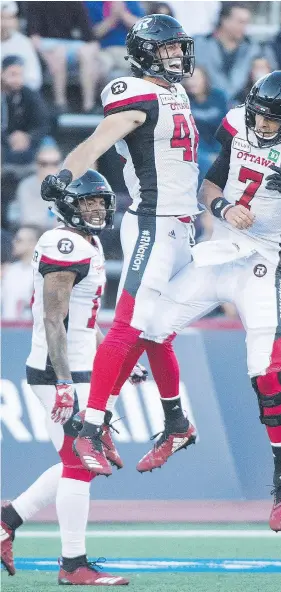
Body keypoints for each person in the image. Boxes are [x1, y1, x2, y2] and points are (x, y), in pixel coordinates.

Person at [135, 71, 281, 532]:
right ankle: (177, 423)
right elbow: (210, 186)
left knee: (265, 370)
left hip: (261, 262)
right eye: (258, 115)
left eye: (271, 119)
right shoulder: (236, 125)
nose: (261, 125)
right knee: (151, 328)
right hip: (220, 250)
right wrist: (224, 208)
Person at [40, 15, 199, 477]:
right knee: (130, 326)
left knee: (156, 331)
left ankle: (175, 422)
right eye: (168, 49)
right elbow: (97, 142)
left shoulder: (177, 91)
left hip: (184, 226)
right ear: (147, 53)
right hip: (153, 221)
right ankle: (91, 426)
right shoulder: (135, 94)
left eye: (178, 48)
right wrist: (65, 175)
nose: (177, 56)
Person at [0, 170, 135, 585]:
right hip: (59, 370)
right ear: (68, 208)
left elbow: (80, 317)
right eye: (87, 203)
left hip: (78, 368)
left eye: (100, 202)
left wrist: (114, 357)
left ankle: (7, 520)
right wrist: (62, 382)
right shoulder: (65, 243)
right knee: (80, 463)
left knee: (77, 463)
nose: (96, 209)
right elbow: (53, 319)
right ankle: (73, 564)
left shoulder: (85, 242)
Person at [27, 1, 99, 113]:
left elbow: (90, 37)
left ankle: (89, 105)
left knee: (86, 52)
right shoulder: (36, 3)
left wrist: (91, 51)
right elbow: (33, 37)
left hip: (69, 44)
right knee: (59, 53)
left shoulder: (76, 3)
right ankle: (60, 103)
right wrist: (45, 55)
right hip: (46, 44)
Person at [194, 2, 260, 104]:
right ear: (224, 20)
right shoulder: (198, 44)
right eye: (240, 22)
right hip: (204, 109)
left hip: (239, 110)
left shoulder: (253, 49)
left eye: (247, 22)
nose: (245, 27)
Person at [1, 55, 50, 166]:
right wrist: (9, 138)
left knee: (49, 146)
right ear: (2, 74)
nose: (17, 79)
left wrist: (28, 137)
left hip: (28, 140)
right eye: (13, 74)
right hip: (3, 141)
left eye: (20, 75)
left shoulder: (30, 95)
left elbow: (43, 123)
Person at [183, 66, 227, 183]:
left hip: (219, 146)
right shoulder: (183, 99)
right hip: (195, 149)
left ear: (205, 79)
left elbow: (225, 127)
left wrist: (218, 153)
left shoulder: (219, 96)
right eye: (188, 78)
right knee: (205, 164)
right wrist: (208, 156)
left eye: (196, 78)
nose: (191, 82)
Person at [8, 143, 62, 229]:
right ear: (36, 164)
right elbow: (28, 218)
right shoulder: (26, 186)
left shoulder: (69, 187)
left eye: (55, 163)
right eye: (44, 163)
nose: (49, 167)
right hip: (31, 234)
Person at [85, 1, 145, 80]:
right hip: (103, 51)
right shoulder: (91, 3)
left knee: (142, 68)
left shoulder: (131, 2)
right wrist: (113, 18)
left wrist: (123, 14)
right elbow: (93, 34)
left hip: (127, 52)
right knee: (99, 68)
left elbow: (143, 29)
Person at [1, 225, 42, 320]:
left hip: (29, 329)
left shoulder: (41, 272)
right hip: (7, 328)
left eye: (19, 240)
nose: (14, 242)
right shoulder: (10, 270)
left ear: (33, 243)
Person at [1, 1, 43, 91]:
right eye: (1, 18)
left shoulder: (24, 43)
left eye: (9, 18)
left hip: (20, 93)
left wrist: (15, 81)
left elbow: (34, 79)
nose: (4, 23)